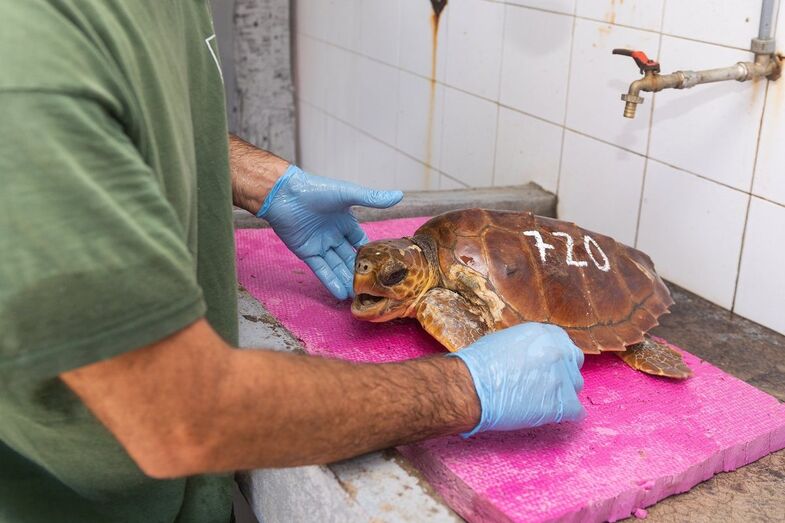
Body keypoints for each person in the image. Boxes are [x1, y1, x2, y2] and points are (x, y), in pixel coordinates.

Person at [0, 2, 585, 522]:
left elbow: (122, 108)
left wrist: (253, 177)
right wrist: (467, 387)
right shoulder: (25, 58)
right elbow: (179, 417)